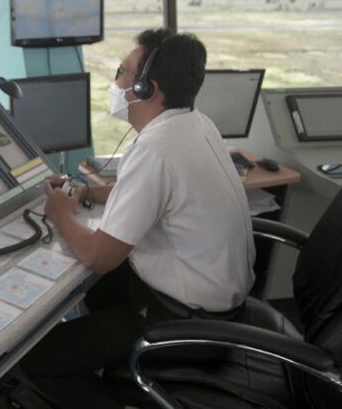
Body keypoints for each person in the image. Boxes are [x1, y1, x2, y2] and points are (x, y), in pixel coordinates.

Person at [20, 28, 255, 408]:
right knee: (89, 287)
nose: (116, 81)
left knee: (36, 360)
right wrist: (87, 194)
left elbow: (100, 256)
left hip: (183, 324)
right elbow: (153, 195)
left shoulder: (155, 149)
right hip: (211, 307)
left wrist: (62, 214)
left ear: (148, 88)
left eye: (123, 71)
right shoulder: (194, 124)